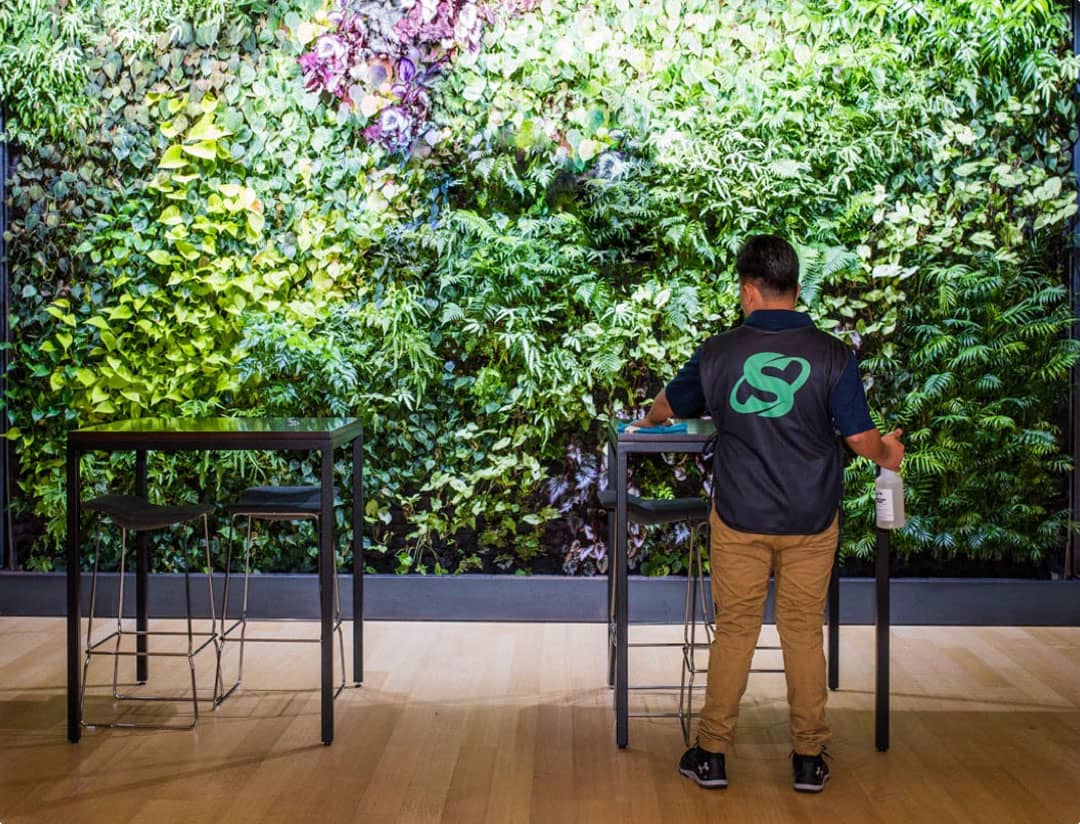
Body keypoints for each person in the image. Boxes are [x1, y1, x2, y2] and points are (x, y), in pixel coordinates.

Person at [636, 234, 904, 793]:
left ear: (747, 291)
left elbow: (664, 409)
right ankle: (808, 760)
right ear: (797, 290)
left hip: (740, 516)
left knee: (735, 631)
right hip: (811, 519)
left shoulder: (717, 353)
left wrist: (653, 417)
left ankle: (711, 754)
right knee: (803, 633)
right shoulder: (834, 354)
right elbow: (860, 440)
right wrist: (889, 453)